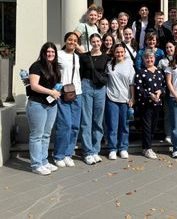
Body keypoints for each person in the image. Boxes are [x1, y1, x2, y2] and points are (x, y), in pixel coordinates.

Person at [26, 42, 61, 175]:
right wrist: (51, 92)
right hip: (37, 104)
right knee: (36, 136)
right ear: (43, 53)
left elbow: (56, 85)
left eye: (53, 52)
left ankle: (44, 161)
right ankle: (36, 165)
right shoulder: (36, 66)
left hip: (51, 105)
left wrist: (57, 91)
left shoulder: (55, 67)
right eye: (48, 52)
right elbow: (34, 86)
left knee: (46, 135)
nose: (50, 54)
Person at [79, 33, 110, 165]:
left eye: (98, 41)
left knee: (98, 120)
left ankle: (95, 150)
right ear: (90, 42)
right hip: (86, 86)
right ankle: (87, 152)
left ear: (101, 42)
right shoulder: (84, 56)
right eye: (94, 41)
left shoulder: (106, 57)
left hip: (100, 89)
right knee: (86, 120)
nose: (96, 43)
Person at [54, 32, 82, 168]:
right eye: (70, 40)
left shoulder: (77, 57)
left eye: (75, 40)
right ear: (65, 41)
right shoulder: (59, 54)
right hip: (63, 93)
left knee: (75, 126)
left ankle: (68, 154)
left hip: (77, 93)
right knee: (65, 125)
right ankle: (59, 155)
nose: (72, 42)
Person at [105, 43, 136, 160]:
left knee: (124, 125)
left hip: (125, 99)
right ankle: (112, 149)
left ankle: (123, 148)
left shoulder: (129, 65)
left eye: (122, 52)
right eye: (117, 52)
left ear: (124, 52)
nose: (119, 54)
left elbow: (131, 83)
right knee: (112, 126)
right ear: (114, 53)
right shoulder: (109, 65)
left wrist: (132, 97)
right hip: (112, 98)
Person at [135, 49, 165, 159]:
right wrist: (150, 94)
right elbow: (139, 89)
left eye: (151, 57)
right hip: (145, 104)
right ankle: (148, 148)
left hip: (157, 104)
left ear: (154, 58)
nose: (149, 59)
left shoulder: (159, 72)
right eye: (147, 58)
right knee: (147, 127)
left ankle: (145, 147)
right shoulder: (141, 72)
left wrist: (160, 91)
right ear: (143, 59)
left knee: (153, 127)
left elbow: (164, 86)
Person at [158, 40, 176, 144]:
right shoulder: (162, 62)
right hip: (167, 90)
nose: (169, 49)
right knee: (167, 113)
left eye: (171, 47)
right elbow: (159, 77)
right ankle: (168, 134)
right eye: (167, 48)